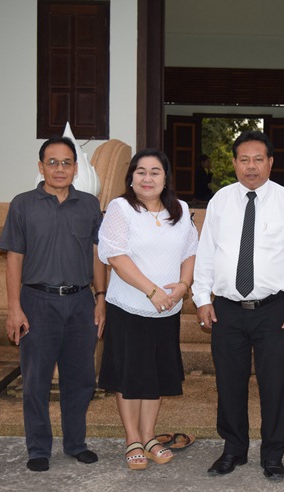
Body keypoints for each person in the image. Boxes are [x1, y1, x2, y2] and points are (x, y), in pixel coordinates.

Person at [192, 130, 284, 481]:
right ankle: (234, 449)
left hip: (274, 310)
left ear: (270, 162)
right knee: (229, 383)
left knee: (274, 385)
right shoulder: (220, 201)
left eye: (258, 159)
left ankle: (273, 454)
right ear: (233, 163)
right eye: (244, 159)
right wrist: (202, 298)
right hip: (227, 309)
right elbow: (206, 253)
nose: (251, 166)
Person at [0, 136, 107, 472]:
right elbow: (14, 258)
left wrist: (100, 298)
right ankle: (38, 448)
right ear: (41, 166)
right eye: (53, 162)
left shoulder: (89, 205)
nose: (60, 169)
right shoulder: (22, 205)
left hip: (80, 302)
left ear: (76, 168)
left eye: (66, 163)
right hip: (37, 302)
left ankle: (76, 444)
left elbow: (97, 254)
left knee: (81, 379)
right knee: (36, 381)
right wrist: (14, 307)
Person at [97, 148, 198, 470]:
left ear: (166, 178)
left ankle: (150, 436)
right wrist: (151, 291)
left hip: (166, 310)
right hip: (129, 308)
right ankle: (133, 440)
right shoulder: (121, 208)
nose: (147, 178)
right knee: (130, 376)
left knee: (155, 375)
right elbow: (116, 256)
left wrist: (183, 285)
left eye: (155, 172)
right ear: (131, 177)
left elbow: (191, 253)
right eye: (141, 171)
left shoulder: (180, 210)